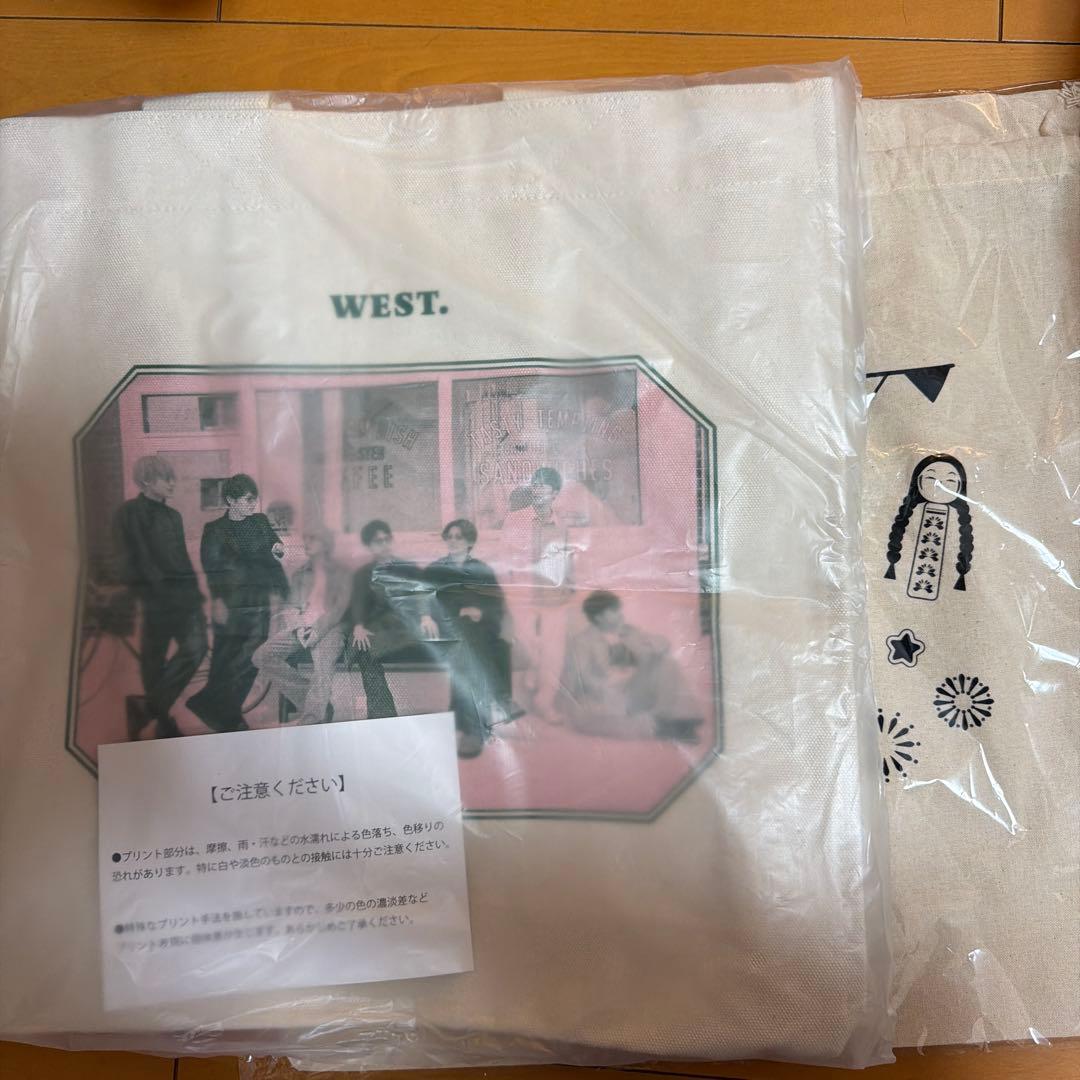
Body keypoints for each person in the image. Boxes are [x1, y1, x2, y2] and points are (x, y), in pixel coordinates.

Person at [112, 455, 207, 739]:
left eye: (172, 478)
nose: (172, 483)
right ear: (146, 481)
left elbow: (182, 560)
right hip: (154, 599)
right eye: (166, 478)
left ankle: (145, 709)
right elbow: (132, 558)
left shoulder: (173, 516)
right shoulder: (129, 513)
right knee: (153, 662)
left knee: (196, 648)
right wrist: (148, 591)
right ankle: (163, 723)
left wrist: (196, 596)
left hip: (184, 598)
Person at [186, 474, 288, 732]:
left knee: (252, 654)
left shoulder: (260, 521)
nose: (253, 504)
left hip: (259, 599)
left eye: (255, 499)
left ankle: (216, 707)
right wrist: (218, 602)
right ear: (231, 500)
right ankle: (222, 712)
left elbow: (274, 544)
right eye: (248, 499)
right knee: (224, 657)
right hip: (230, 602)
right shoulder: (215, 529)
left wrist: (278, 548)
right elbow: (212, 569)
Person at [426, 519, 520, 758]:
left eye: (459, 537)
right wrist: (431, 616)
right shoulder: (435, 569)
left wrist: (480, 611)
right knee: (466, 639)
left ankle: (471, 729)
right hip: (447, 628)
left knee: (472, 646)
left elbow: (496, 602)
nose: (453, 541)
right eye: (450, 536)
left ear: (469, 541)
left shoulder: (481, 569)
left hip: (479, 630)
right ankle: (500, 697)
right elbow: (423, 598)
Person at [557, 590, 702, 743]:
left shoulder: (626, 633)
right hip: (597, 703)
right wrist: (613, 689)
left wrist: (632, 637)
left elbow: (663, 646)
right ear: (599, 617)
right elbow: (582, 681)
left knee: (666, 664)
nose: (620, 614)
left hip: (626, 695)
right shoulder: (582, 642)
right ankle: (665, 725)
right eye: (614, 611)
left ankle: (672, 718)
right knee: (627, 720)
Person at [252, 524, 351, 725]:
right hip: (301, 628)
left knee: (322, 666)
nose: (306, 543)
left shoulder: (342, 571)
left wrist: (317, 630)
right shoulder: (300, 573)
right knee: (261, 656)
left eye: (312, 539)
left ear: (325, 544)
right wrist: (298, 627)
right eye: (305, 539)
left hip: (330, 629)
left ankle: (311, 719)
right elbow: (291, 606)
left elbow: (340, 608)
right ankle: (312, 701)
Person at [345, 520, 439, 720]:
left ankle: (381, 716)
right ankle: (384, 714)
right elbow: (358, 602)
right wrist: (359, 626)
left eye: (387, 539)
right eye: (378, 541)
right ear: (369, 546)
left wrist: (425, 616)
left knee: (362, 649)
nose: (384, 544)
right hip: (381, 631)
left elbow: (422, 592)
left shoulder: (407, 568)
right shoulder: (363, 574)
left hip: (406, 630)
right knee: (364, 647)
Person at [502, 467, 576, 719]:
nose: (537, 489)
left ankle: (546, 701)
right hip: (523, 594)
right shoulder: (515, 519)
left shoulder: (562, 522)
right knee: (526, 643)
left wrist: (569, 585)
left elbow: (568, 557)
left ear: (555, 493)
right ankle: (532, 673)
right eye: (534, 484)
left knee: (554, 652)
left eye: (543, 485)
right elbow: (505, 558)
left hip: (555, 595)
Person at [884, 454, 973, 601]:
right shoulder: (912, 512)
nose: (939, 484)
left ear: (959, 486)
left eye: (950, 480)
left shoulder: (957, 518)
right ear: (918, 481)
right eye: (931, 478)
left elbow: (963, 544)